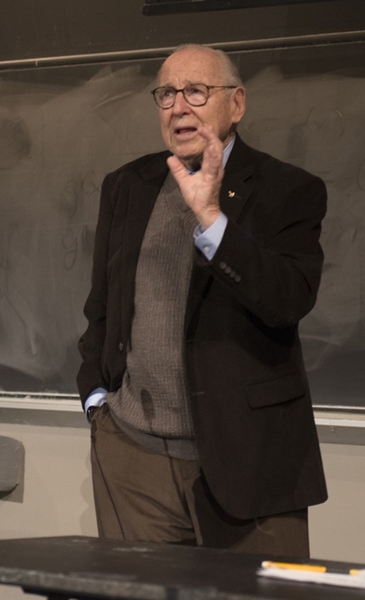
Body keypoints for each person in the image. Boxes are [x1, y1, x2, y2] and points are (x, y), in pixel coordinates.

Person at [76, 44, 328, 557]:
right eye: (166, 93)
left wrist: (212, 220)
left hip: (248, 459)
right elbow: (102, 306)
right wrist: (96, 400)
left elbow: (288, 299)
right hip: (132, 459)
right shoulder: (126, 185)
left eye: (196, 91)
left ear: (236, 104)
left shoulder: (290, 189)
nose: (178, 106)